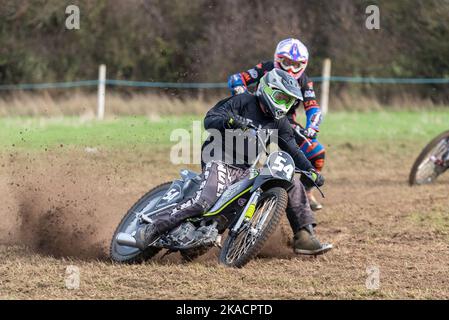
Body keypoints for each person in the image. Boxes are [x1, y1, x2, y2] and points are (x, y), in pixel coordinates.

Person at [135, 69, 332, 256]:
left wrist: (309, 169)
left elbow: (293, 148)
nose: (284, 105)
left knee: (291, 182)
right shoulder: (244, 101)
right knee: (204, 200)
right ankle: (153, 228)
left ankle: (304, 235)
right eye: (281, 98)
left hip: (246, 168)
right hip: (219, 157)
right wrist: (230, 121)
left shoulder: (280, 122)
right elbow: (210, 118)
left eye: (289, 102)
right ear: (268, 89)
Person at [228, 38, 325, 211]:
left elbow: (313, 107)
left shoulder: (304, 80)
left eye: (296, 65)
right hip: (259, 116)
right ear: (277, 58)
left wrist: (312, 127)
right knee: (245, 155)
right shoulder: (265, 68)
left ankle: (306, 192)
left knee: (316, 152)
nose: (290, 68)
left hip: (286, 123)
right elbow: (236, 78)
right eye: (286, 62)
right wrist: (242, 96)